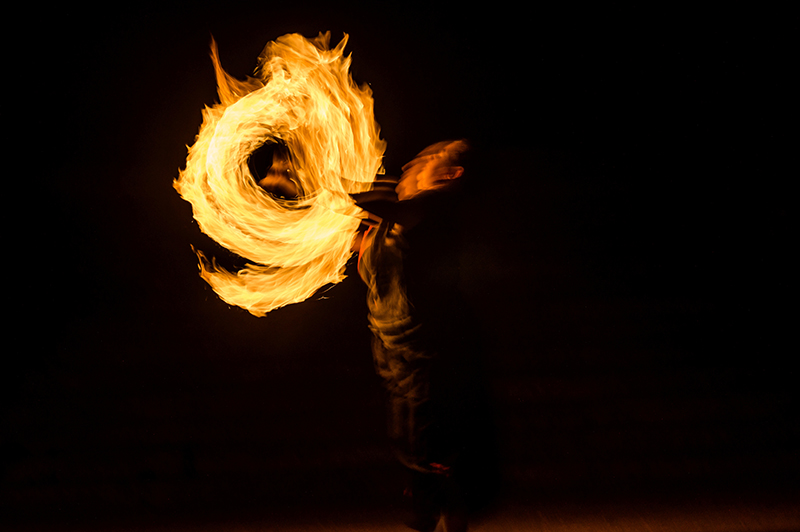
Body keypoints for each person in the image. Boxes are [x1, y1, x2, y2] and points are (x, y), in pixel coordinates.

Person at [353, 140, 494, 532]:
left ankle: (447, 512)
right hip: (396, 348)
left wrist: (336, 188)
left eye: (431, 160)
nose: (416, 162)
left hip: (435, 350)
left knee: (434, 454)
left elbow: (399, 211)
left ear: (452, 175)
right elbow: (358, 246)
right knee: (414, 450)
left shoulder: (439, 203)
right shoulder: (393, 221)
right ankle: (433, 507)